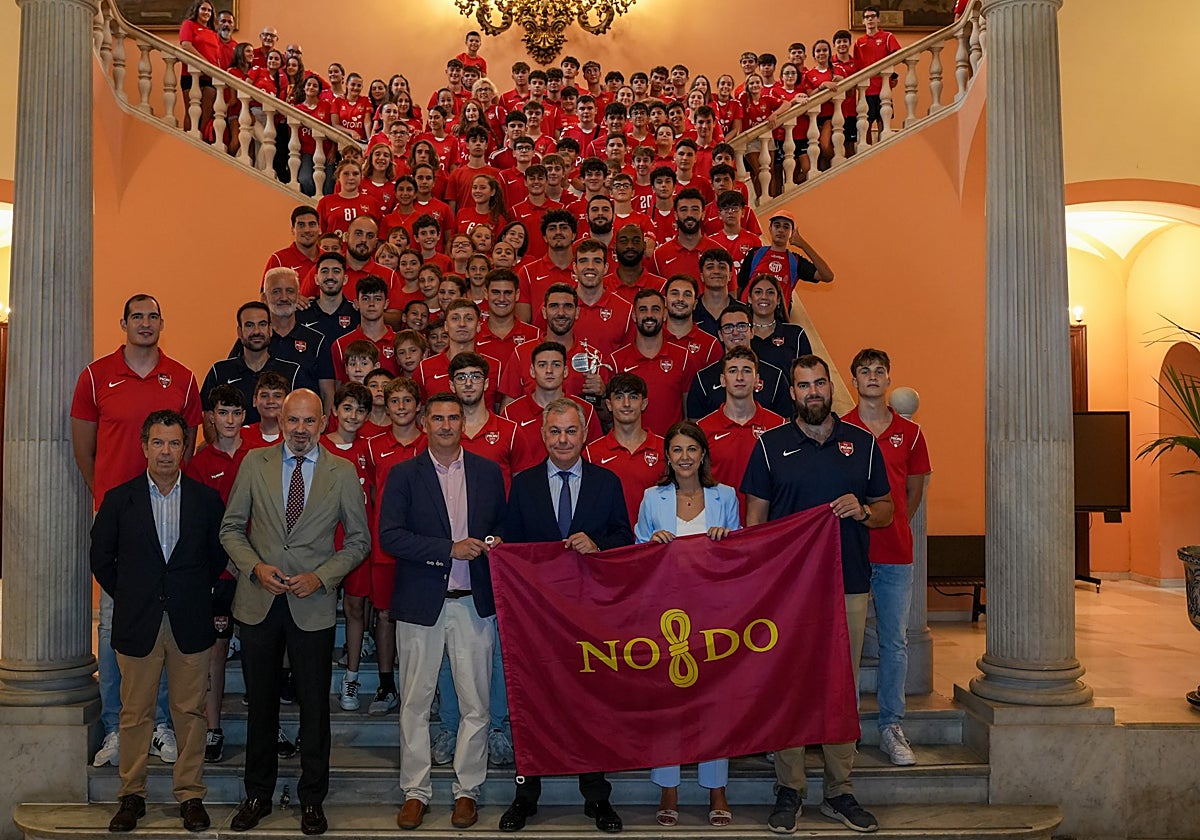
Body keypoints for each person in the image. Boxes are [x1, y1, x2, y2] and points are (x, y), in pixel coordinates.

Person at [741, 355, 893, 835]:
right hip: (787, 591)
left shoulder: (862, 444)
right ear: (792, 393)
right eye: (803, 385)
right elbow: (755, 522)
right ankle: (790, 788)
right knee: (789, 682)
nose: (812, 392)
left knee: (839, 685)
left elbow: (887, 507)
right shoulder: (769, 447)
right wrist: (760, 583)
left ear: (832, 389)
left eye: (819, 384)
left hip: (848, 583)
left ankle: (839, 789)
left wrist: (864, 512)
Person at [220, 389, 371, 836]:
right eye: (293, 421)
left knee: (314, 709)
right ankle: (257, 795)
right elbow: (230, 529)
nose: (301, 430)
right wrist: (254, 567)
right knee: (260, 705)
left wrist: (322, 577)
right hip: (259, 601)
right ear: (280, 421)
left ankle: (312, 799)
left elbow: (359, 541)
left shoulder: (342, 472)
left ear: (322, 423)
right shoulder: (254, 463)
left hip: (314, 604)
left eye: (309, 422)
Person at [72, 294, 203, 770]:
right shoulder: (95, 375)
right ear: (123, 323)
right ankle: (114, 727)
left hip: (170, 518)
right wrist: (111, 502)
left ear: (162, 323)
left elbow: (188, 444)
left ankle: (161, 725)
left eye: (153, 316)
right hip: (124, 523)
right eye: (137, 317)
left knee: (164, 629)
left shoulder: (184, 379)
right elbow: (83, 448)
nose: (145, 323)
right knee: (112, 629)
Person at [498, 397, 633, 833]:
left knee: (591, 705)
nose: (562, 439)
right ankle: (526, 795)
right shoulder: (523, 485)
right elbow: (512, 547)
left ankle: (597, 796)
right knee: (531, 704)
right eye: (554, 431)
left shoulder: (607, 482)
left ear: (584, 433)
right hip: (535, 620)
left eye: (570, 431)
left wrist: (597, 545)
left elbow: (623, 539)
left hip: (591, 616)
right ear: (542, 435)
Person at [91, 409, 226, 833]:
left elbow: (217, 556)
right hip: (138, 620)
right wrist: (134, 595)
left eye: (174, 443)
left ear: (185, 447)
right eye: (158, 443)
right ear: (144, 446)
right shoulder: (118, 499)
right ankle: (132, 795)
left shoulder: (206, 500)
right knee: (135, 713)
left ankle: (190, 794)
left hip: (190, 619)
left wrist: (191, 593)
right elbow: (102, 560)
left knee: (189, 711)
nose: (166, 451)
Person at [378, 392, 506, 831]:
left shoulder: (489, 474)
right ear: (424, 423)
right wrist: (447, 550)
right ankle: (415, 790)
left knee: (476, 703)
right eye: (439, 418)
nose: (448, 424)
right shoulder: (403, 475)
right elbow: (390, 536)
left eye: (455, 417)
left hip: (475, 605)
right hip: (420, 603)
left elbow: (502, 529)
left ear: (464, 423)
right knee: (414, 702)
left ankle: (467, 790)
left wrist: (497, 544)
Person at [632, 420, 738, 829]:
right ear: (668, 457)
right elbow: (636, 552)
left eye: (691, 449)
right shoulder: (651, 498)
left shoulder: (724, 496)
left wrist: (726, 538)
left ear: (703, 454)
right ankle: (669, 787)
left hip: (715, 615)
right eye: (676, 450)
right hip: (665, 616)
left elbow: (742, 549)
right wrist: (651, 542)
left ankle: (717, 788)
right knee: (668, 702)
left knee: (716, 700)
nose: (684, 457)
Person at [842, 348, 932, 767]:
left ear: (888, 379)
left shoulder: (910, 434)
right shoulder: (841, 429)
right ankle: (844, 726)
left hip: (895, 552)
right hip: (850, 554)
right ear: (855, 380)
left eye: (880, 370)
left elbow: (914, 490)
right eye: (865, 371)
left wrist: (890, 523)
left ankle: (891, 725)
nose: (873, 377)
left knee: (895, 642)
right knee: (847, 644)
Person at [183, 384, 250, 765]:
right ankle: (212, 728)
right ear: (210, 417)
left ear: (245, 417)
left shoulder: (258, 456)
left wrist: (250, 561)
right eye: (222, 413)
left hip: (256, 567)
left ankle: (266, 723)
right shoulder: (199, 462)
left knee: (262, 651)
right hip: (219, 571)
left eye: (235, 413)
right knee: (216, 653)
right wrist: (224, 562)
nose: (228, 420)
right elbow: (198, 522)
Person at [202, 301, 300, 436]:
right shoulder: (219, 372)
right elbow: (208, 420)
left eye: (262, 324)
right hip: (233, 455)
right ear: (239, 332)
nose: (257, 331)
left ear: (270, 329)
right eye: (249, 325)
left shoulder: (291, 371)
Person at [687, 303, 793, 420]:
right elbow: (695, 429)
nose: (735, 332)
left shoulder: (776, 377)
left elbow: (785, 426)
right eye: (728, 328)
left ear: (752, 331)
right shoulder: (703, 379)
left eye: (742, 326)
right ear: (720, 335)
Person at [584, 374, 664, 528]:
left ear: (644, 403)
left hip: (655, 543)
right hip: (611, 545)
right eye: (619, 397)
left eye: (633, 397)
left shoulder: (665, 449)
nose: (626, 404)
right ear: (608, 404)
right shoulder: (590, 453)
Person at [609, 288, 690, 436]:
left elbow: (688, 411)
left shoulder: (683, 356)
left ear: (665, 314)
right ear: (634, 315)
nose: (649, 315)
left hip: (671, 449)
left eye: (655, 309)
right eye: (643, 310)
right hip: (631, 450)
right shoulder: (616, 360)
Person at [735, 210, 834, 307]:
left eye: (786, 227)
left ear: (792, 232)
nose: (781, 230)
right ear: (770, 229)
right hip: (747, 315)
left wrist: (803, 245)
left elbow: (827, 276)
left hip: (777, 319)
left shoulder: (795, 261)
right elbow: (740, 285)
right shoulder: (755, 253)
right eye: (777, 226)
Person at [854, 5, 902, 141]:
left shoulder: (887, 37)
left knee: (883, 122)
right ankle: (867, 151)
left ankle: (883, 148)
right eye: (867, 17)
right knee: (866, 124)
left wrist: (892, 74)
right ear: (863, 21)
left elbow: (898, 55)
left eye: (872, 16)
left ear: (878, 19)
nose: (870, 19)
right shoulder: (859, 42)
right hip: (866, 89)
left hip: (883, 87)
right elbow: (857, 65)